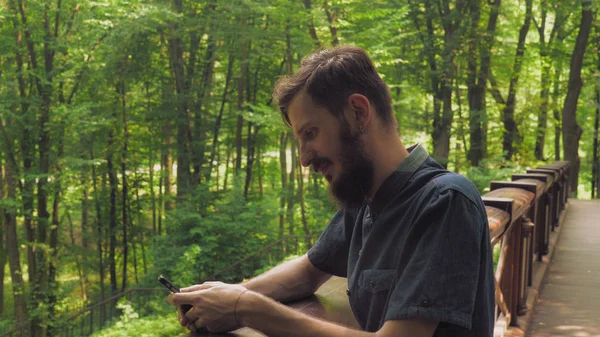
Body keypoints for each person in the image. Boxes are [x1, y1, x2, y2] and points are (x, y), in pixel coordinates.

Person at [168, 45, 495, 337]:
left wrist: (247, 309)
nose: (304, 158)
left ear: (358, 112)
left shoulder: (445, 202)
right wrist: (228, 295)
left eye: (310, 133)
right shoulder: (365, 199)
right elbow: (307, 272)